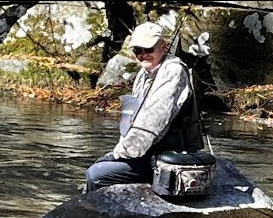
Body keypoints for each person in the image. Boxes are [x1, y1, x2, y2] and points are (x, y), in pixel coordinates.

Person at [83, 21, 204, 193]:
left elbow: (151, 124)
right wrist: (120, 150)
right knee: (100, 166)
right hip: (147, 152)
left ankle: (94, 217)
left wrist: (119, 154)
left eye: (149, 50)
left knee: (96, 174)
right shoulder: (143, 74)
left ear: (164, 46)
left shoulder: (173, 72)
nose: (143, 55)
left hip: (168, 158)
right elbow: (133, 121)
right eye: (137, 50)